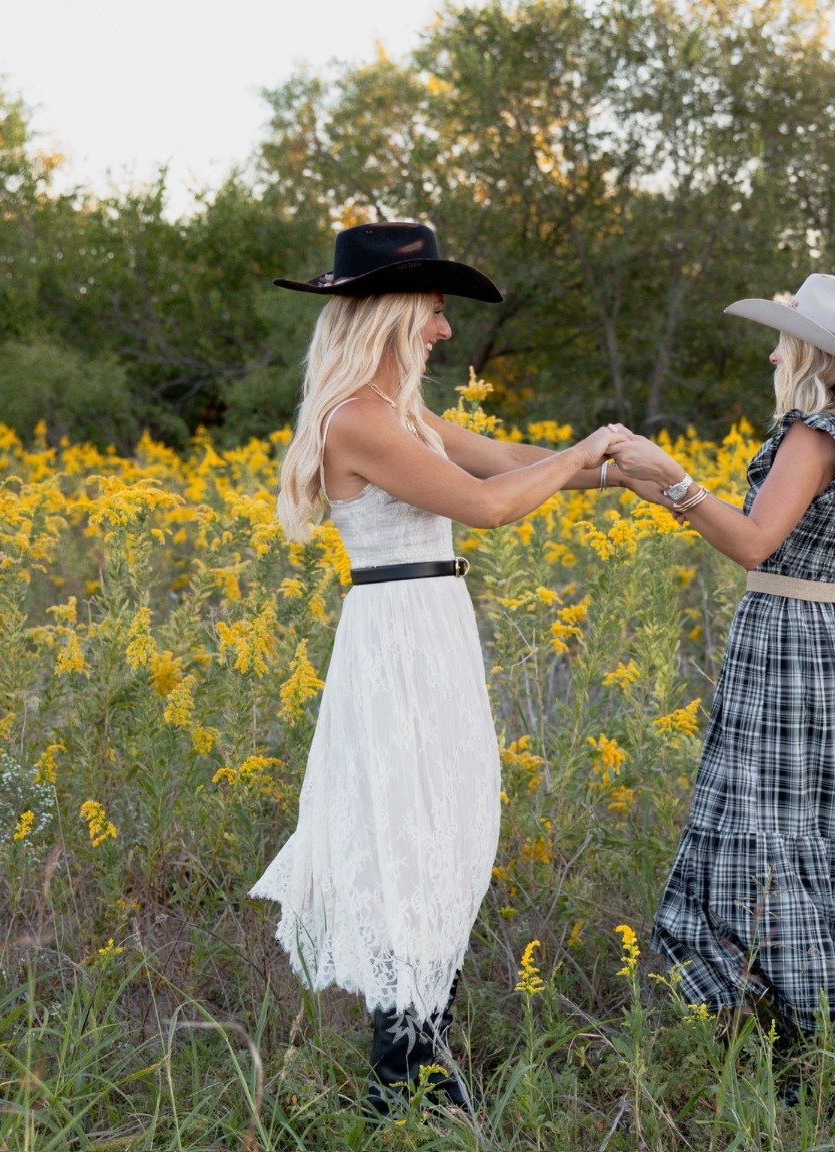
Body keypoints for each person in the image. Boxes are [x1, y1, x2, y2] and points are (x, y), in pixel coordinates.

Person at [249, 221, 632, 1118]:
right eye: (432, 309)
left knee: (447, 824)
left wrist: (620, 472)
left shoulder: (403, 413)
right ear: (387, 314)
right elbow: (491, 506)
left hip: (431, 627)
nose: (443, 329)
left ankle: (420, 1057)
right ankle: (405, 1076)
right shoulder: (358, 420)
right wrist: (587, 451)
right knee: (407, 834)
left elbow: (508, 463)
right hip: (395, 639)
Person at [608, 273, 835, 1094]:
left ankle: (797, 1026)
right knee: (806, 823)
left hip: (784, 641)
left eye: (784, 336)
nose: (774, 350)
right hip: (828, 638)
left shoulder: (811, 435)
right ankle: (810, 1020)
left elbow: (753, 544)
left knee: (761, 828)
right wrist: (662, 490)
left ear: (812, 352)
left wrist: (675, 478)